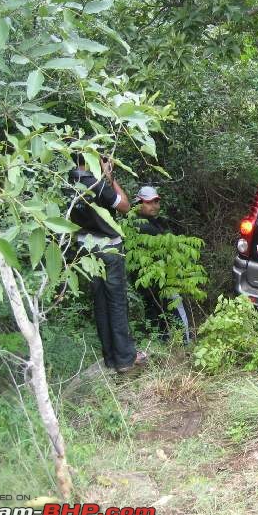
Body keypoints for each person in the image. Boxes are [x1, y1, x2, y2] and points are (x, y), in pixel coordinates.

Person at [69, 154, 146, 373]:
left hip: (85, 248)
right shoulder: (96, 183)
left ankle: (111, 358)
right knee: (116, 302)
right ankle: (125, 359)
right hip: (109, 248)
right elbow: (124, 205)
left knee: (100, 302)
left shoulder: (68, 183)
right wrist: (109, 177)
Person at [133, 186, 190, 343]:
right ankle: (186, 346)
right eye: (150, 202)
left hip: (152, 283)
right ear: (139, 203)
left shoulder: (153, 222)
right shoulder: (143, 227)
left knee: (156, 315)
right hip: (158, 281)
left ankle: (163, 346)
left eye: (156, 201)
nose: (155, 206)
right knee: (172, 312)